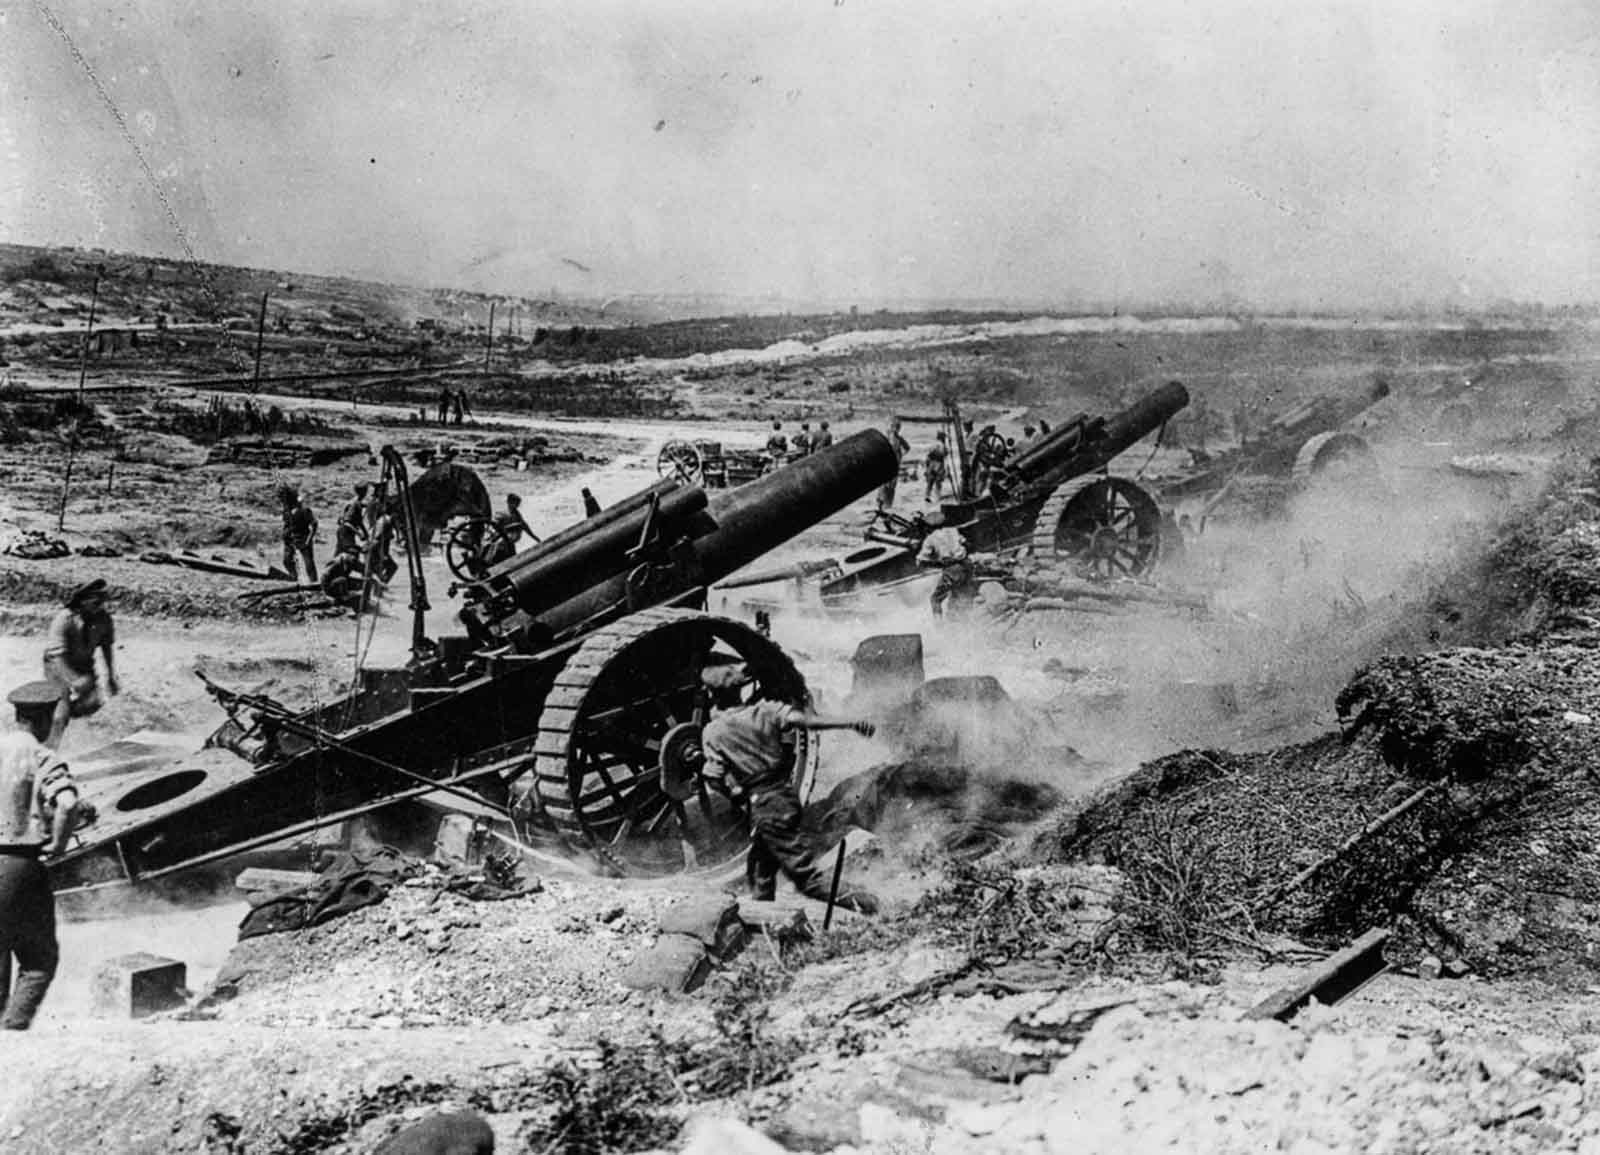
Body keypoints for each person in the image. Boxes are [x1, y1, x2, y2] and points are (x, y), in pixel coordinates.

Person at [699, 665, 879, 914]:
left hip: (765, 805)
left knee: (807, 879)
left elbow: (713, 776)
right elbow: (806, 721)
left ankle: (873, 903)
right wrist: (850, 722)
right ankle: (765, 921)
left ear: (711, 694)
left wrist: (735, 790)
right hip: (785, 797)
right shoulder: (766, 712)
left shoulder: (714, 732)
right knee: (760, 867)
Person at [0, 681, 85, 1030]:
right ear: (46, 718)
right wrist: (59, 845)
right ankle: (14, 1031)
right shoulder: (40, 755)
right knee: (38, 960)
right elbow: (67, 802)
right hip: (20, 865)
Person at [42, 579, 118, 748]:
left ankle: (76, 741)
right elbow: (57, 656)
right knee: (61, 710)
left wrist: (110, 676)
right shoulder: (64, 619)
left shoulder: (104, 619)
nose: (101, 604)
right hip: (58, 666)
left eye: (102, 600)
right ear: (82, 601)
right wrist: (74, 681)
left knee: (91, 704)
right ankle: (51, 748)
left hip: (84, 664)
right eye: (96, 600)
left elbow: (106, 647)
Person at [916, 523, 976, 617]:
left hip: (952, 570)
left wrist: (938, 564)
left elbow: (920, 561)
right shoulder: (953, 530)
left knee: (935, 599)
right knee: (962, 593)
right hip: (967, 565)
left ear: (927, 527)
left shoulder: (929, 539)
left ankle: (939, 627)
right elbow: (968, 544)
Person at [279, 486, 319, 583]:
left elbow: (314, 524)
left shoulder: (304, 510)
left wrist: (308, 540)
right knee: (287, 560)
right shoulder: (287, 511)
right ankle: (294, 577)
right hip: (290, 539)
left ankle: (313, 581)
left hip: (303, 538)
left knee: (308, 562)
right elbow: (286, 525)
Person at [486, 493, 535, 568]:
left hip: (509, 542)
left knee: (511, 561)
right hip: (501, 542)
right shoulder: (502, 513)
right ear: (509, 502)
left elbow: (524, 526)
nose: (518, 505)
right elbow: (494, 526)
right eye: (516, 503)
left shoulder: (517, 514)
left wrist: (535, 537)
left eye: (518, 503)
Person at [877, 418, 911, 511]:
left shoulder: (899, 439)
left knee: (892, 485)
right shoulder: (886, 438)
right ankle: (880, 504)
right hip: (885, 464)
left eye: (897, 427)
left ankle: (888, 505)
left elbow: (907, 448)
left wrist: (900, 456)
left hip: (895, 464)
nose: (895, 429)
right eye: (894, 427)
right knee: (883, 485)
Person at [335, 483, 371, 557]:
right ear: (364, 492)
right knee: (352, 555)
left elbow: (359, 521)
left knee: (340, 555)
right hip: (346, 531)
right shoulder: (355, 505)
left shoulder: (355, 502)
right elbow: (347, 523)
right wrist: (359, 534)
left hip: (345, 531)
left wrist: (366, 534)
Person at [923, 431, 950, 504]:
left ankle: (927, 496)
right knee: (938, 482)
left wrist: (927, 466)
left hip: (932, 464)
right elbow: (945, 455)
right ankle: (937, 496)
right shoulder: (943, 446)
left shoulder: (933, 445)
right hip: (939, 464)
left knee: (930, 482)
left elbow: (928, 456)